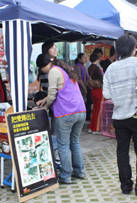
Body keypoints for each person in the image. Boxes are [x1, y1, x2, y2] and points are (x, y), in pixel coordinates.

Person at [103, 34, 137, 196]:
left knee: (122, 152)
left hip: (119, 116)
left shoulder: (111, 68)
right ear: (134, 49)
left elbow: (106, 94)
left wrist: (120, 98)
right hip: (136, 114)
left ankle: (126, 187)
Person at [37, 54, 86, 184]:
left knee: (63, 145)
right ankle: (79, 171)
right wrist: (44, 100)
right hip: (80, 110)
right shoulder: (66, 69)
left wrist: (46, 107)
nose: (42, 71)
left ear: (43, 66)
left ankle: (66, 175)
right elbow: (61, 90)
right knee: (74, 142)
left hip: (66, 112)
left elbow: (52, 95)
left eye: (41, 69)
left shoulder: (53, 71)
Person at [87, 48, 104, 134]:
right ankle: (96, 129)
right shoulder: (97, 68)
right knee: (98, 110)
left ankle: (91, 127)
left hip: (93, 90)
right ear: (97, 58)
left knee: (94, 110)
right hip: (98, 90)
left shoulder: (89, 67)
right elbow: (102, 79)